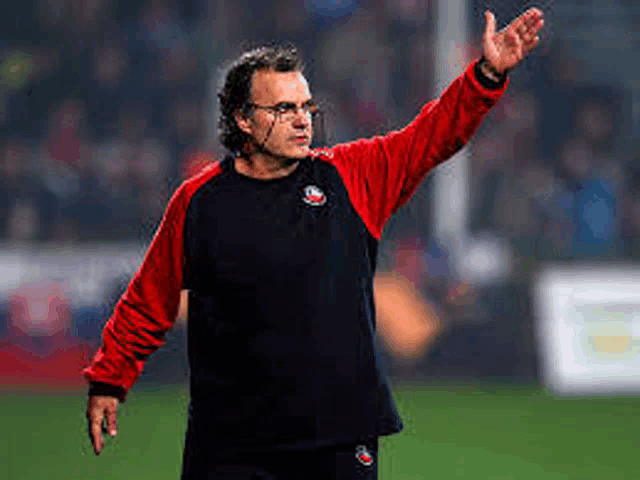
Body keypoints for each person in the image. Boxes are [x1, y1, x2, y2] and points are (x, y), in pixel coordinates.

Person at [84, 8, 545, 479]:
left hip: (339, 436)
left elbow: (431, 137)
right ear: (243, 118)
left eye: (306, 107)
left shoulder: (352, 175)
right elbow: (148, 301)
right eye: (284, 109)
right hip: (230, 442)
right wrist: (109, 380)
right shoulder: (198, 202)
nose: (302, 120)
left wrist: (486, 75)